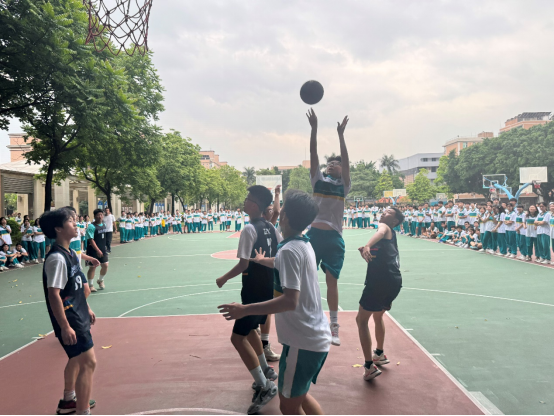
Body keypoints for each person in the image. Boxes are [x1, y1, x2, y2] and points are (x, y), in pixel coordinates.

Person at [219, 189, 331, 416]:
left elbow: (290, 301)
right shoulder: (303, 244)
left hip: (302, 341)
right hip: (313, 338)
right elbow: (280, 260)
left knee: (288, 407)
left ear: (285, 216)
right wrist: (262, 260)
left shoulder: (289, 250)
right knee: (300, 396)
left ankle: (264, 383)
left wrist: (244, 309)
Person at [216, 186, 280, 415]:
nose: (244, 202)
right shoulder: (271, 227)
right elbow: (279, 254)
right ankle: (265, 369)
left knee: (237, 338)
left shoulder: (249, 229)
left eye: (247, 199)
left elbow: (243, 264)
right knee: (251, 329)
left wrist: (224, 277)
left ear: (255, 205)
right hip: (267, 287)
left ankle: (264, 385)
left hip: (253, 288)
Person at [41, 208, 100, 416]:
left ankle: (68, 401)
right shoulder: (57, 259)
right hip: (71, 318)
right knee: (89, 362)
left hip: (78, 313)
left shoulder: (70, 253)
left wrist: (87, 307)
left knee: (76, 358)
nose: (76, 224)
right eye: (70, 221)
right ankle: (83, 411)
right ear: (58, 228)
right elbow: (54, 295)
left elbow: (76, 289)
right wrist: (65, 326)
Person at [306, 108, 351, 347]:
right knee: (308, 279)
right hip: (313, 236)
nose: (333, 164)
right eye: (330, 163)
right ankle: (312, 318)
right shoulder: (318, 180)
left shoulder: (344, 185)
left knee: (331, 281)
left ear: (342, 169)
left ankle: (334, 326)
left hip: (333, 238)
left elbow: (346, 158)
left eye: (337, 163)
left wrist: (341, 135)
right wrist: (314, 129)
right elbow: (313, 153)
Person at [357, 207, 404, 381]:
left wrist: (368, 245)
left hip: (379, 282)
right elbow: (381, 258)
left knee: (361, 320)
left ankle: (369, 366)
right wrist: (367, 251)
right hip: (393, 282)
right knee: (378, 316)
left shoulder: (385, 228)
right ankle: (379, 353)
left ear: (394, 221)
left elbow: (381, 230)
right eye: (385, 211)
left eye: (389, 212)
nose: (384, 213)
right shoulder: (389, 238)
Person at [85, 209, 109, 293]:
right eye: (98, 215)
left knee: (105, 265)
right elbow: (91, 240)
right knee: (93, 267)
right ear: (95, 216)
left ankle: (100, 280)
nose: (100, 216)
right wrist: (97, 250)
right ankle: (90, 285)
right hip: (93, 250)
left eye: (101, 215)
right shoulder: (91, 227)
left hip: (103, 249)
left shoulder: (104, 225)